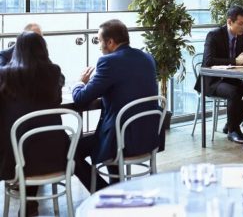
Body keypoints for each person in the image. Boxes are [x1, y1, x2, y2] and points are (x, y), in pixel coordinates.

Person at [72, 19, 161, 188]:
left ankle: (103, 192)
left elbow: (81, 98)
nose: (98, 45)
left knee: (69, 152)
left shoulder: (109, 62)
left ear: (110, 42)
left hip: (121, 141)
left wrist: (80, 82)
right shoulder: (147, 58)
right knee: (112, 127)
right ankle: (115, 187)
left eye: (99, 41)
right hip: (148, 137)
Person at [0, 32, 68, 216]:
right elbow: (57, 100)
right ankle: (30, 205)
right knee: (38, 139)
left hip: (16, 158)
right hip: (54, 154)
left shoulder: (5, 74)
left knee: (23, 140)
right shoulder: (53, 72)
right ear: (43, 49)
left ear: (17, 50)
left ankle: (28, 205)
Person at [194, 5, 243, 144]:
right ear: (229, 22)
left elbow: (242, 58)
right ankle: (233, 131)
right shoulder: (214, 35)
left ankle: (231, 124)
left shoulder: (241, 36)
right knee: (234, 93)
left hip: (231, 79)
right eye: (240, 23)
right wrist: (234, 60)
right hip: (212, 81)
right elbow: (208, 61)